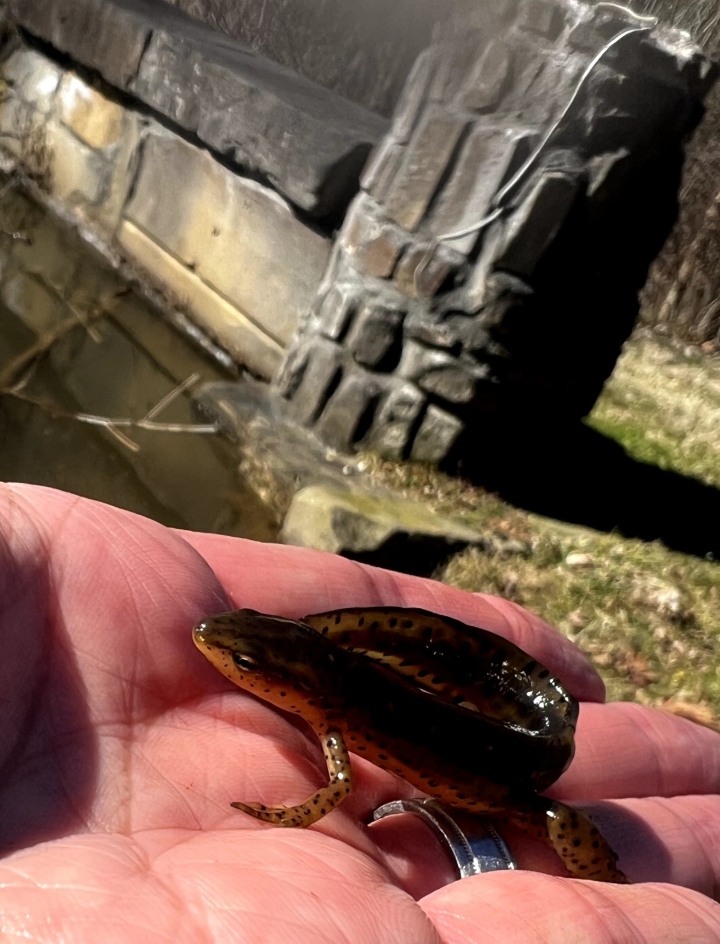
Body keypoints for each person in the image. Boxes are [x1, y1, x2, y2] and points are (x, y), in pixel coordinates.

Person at [0, 483, 718, 942]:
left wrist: (286, 813)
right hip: (455, 734)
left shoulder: (335, 722)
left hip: (509, 773)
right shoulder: (332, 700)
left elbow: (338, 788)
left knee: (557, 819)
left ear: (300, 689)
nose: (218, 656)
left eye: (246, 667)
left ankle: (606, 869)